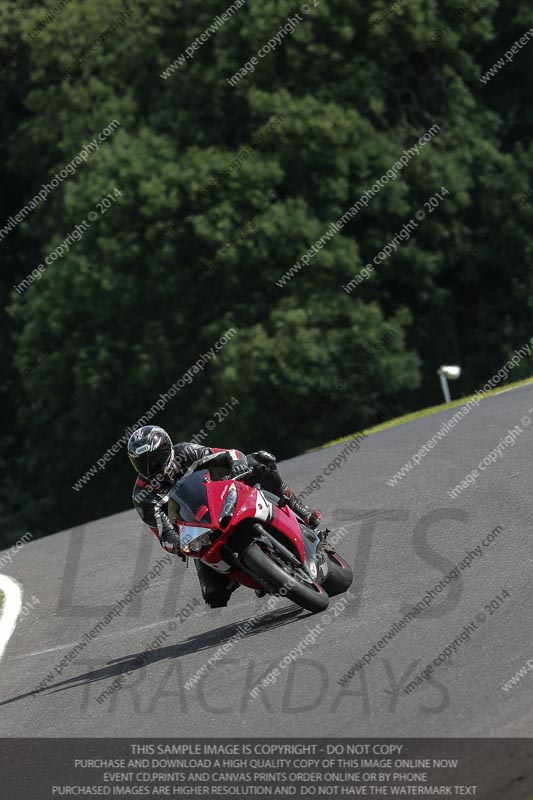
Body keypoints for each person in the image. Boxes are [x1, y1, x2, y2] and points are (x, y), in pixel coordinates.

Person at [127, 425, 322, 608]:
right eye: (141, 463)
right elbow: (163, 533)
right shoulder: (142, 496)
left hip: (222, 495)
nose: (150, 466)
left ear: (167, 449)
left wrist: (237, 464)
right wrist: (177, 545)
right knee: (213, 595)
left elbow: (227, 454)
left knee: (260, 461)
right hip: (198, 529)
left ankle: (298, 507)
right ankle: (260, 575)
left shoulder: (185, 452)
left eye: (155, 458)